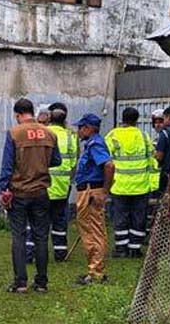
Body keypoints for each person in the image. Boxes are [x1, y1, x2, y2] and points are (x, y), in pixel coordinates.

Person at [0, 98, 61, 294]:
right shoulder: (49, 133)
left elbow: (7, 166)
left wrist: (3, 189)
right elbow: (56, 161)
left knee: (19, 236)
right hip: (41, 192)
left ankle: (20, 282)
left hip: (19, 192)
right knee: (41, 236)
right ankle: (41, 282)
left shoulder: (14, 133)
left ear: (17, 114)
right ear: (32, 112)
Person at [104, 108, 153, 259]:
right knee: (139, 218)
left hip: (119, 185)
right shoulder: (144, 137)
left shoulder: (112, 136)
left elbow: (106, 160)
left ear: (122, 119)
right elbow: (152, 161)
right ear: (137, 120)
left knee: (121, 218)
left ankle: (121, 249)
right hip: (141, 185)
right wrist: (152, 183)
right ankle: (135, 249)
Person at [73, 113, 114, 285]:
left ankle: (96, 272)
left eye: (80, 128)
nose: (78, 131)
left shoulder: (96, 144)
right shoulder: (91, 144)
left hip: (91, 192)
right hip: (87, 191)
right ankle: (93, 269)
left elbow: (109, 165)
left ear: (88, 128)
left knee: (94, 231)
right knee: (88, 230)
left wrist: (104, 191)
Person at [39, 103, 77, 262]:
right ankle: (60, 253)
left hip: (43, 184)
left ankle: (35, 252)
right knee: (60, 220)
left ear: (49, 118)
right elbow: (74, 161)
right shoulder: (70, 136)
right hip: (62, 185)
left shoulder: (42, 133)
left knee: (39, 220)